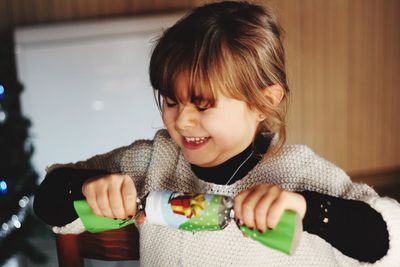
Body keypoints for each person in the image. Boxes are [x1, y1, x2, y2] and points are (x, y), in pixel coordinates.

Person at [34, 1, 400, 266]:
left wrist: (310, 211)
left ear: (262, 102)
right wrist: (85, 189)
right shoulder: (152, 161)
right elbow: (47, 200)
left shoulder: (299, 174)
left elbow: (387, 241)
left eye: (202, 104)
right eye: (171, 101)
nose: (181, 121)